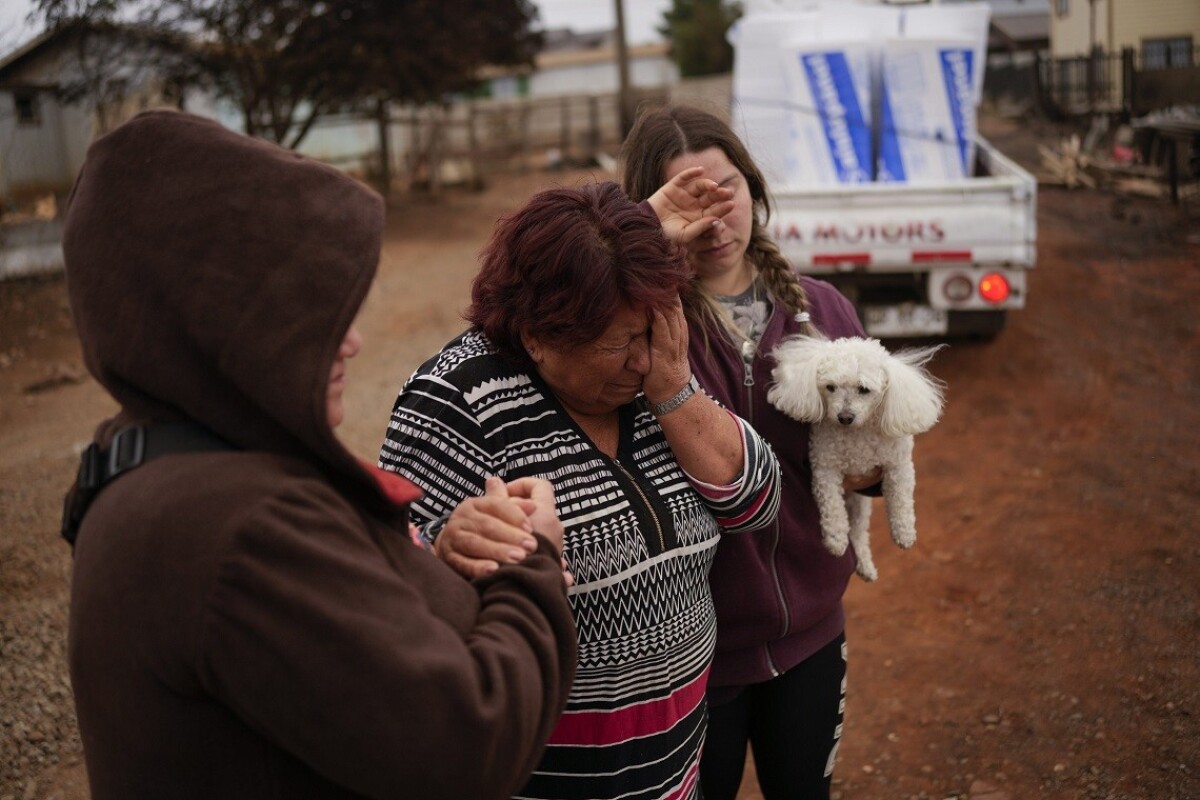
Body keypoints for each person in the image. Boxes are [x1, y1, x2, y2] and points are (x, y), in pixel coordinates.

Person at [60, 109, 578, 800]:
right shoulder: (246, 527)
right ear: (218, 321)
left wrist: (437, 572)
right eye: (304, 315)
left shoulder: (147, 462)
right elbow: (466, 745)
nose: (354, 343)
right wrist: (529, 564)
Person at [377, 181, 782, 800]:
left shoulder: (655, 372)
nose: (644, 360)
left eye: (652, 333)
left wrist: (676, 391)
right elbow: (395, 609)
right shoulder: (452, 404)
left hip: (675, 775)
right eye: (620, 344)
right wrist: (445, 556)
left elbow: (755, 503)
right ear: (539, 335)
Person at [620, 104, 883, 800]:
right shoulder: (639, 332)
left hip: (812, 634)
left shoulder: (823, 313)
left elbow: (871, 459)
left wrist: (874, 468)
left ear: (755, 188)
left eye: (726, 188)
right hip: (694, 654)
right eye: (689, 199)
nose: (714, 218)